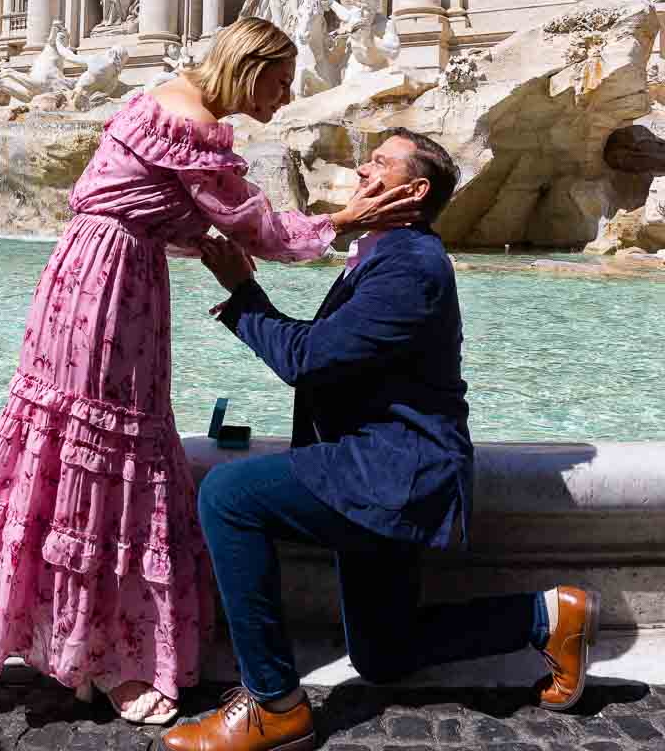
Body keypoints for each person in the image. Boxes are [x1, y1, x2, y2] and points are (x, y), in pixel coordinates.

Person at [0, 18, 415, 726]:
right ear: (250, 68)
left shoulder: (158, 97)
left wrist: (205, 241)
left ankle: (76, 644)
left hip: (84, 278)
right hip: (111, 294)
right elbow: (264, 231)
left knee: (76, 448)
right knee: (110, 457)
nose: (286, 96)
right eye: (281, 81)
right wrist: (347, 216)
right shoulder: (193, 126)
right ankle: (106, 658)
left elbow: (150, 203)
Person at [163, 129, 600, 751]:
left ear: (414, 189)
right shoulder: (388, 254)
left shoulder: (411, 264)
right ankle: (547, 617)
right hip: (381, 462)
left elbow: (309, 360)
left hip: (393, 469)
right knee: (384, 654)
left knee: (230, 496)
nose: (362, 166)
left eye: (380, 161)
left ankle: (273, 704)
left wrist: (244, 296)